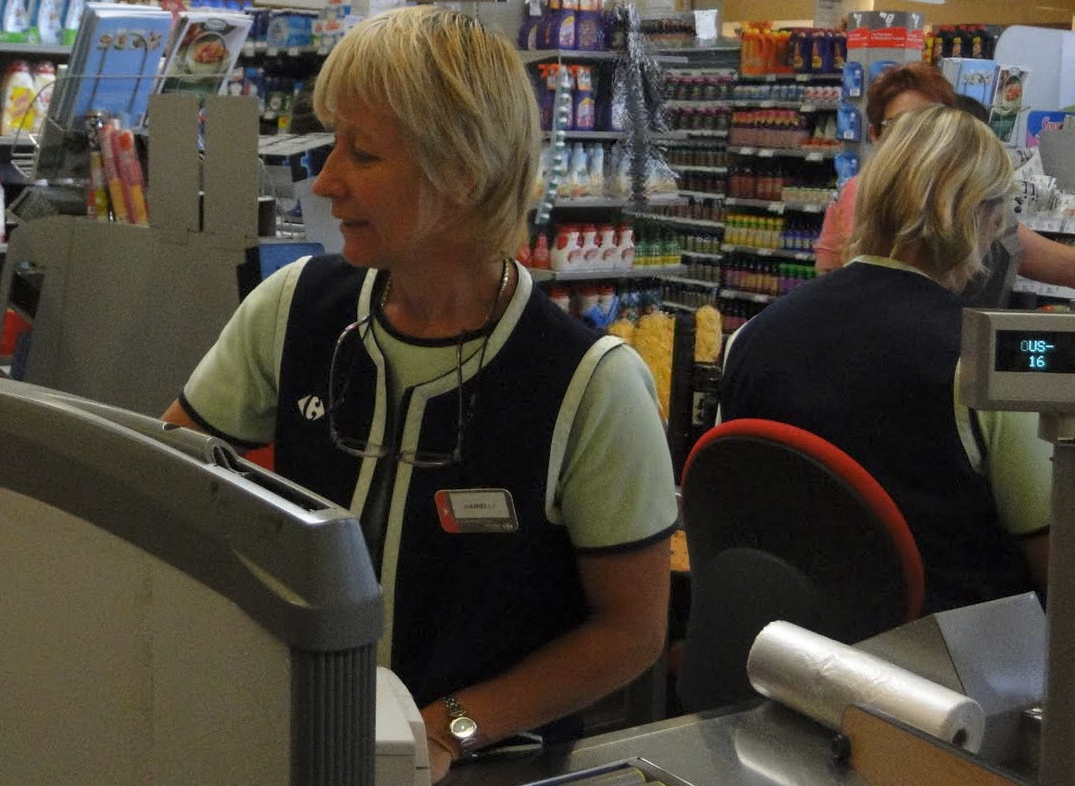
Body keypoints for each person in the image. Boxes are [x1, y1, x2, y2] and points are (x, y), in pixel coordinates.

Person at [161, 6, 677, 781]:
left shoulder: (589, 383)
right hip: (291, 743)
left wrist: (450, 729)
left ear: (460, 175)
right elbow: (169, 485)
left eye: (361, 153)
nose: (325, 179)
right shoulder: (294, 305)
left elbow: (631, 631)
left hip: (491, 766)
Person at [720, 105, 1051, 616]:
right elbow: (1056, 560)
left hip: (784, 658)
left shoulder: (748, 339)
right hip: (945, 676)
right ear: (980, 216)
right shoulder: (984, 357)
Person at [814, 62, 1075, 302]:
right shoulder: (864, 195)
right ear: (876, 135)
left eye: (934, 122)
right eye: (902, 125)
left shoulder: (978, 200)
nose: (921, 138)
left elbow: (1056, 262)